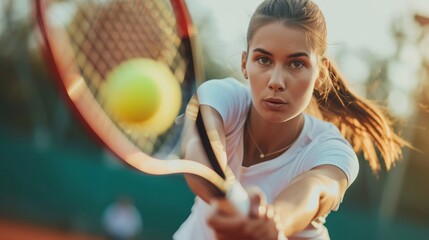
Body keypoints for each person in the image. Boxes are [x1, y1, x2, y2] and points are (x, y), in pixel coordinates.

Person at [174, 0, 407, 239]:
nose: (276, 81)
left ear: (320, 73)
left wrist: (272, 222)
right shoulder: (221, 97)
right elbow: (200, 149)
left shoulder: (332, 150)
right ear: (245, 64)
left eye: (297, 64)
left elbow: (313, 191)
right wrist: (231, 199)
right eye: (264, 60)